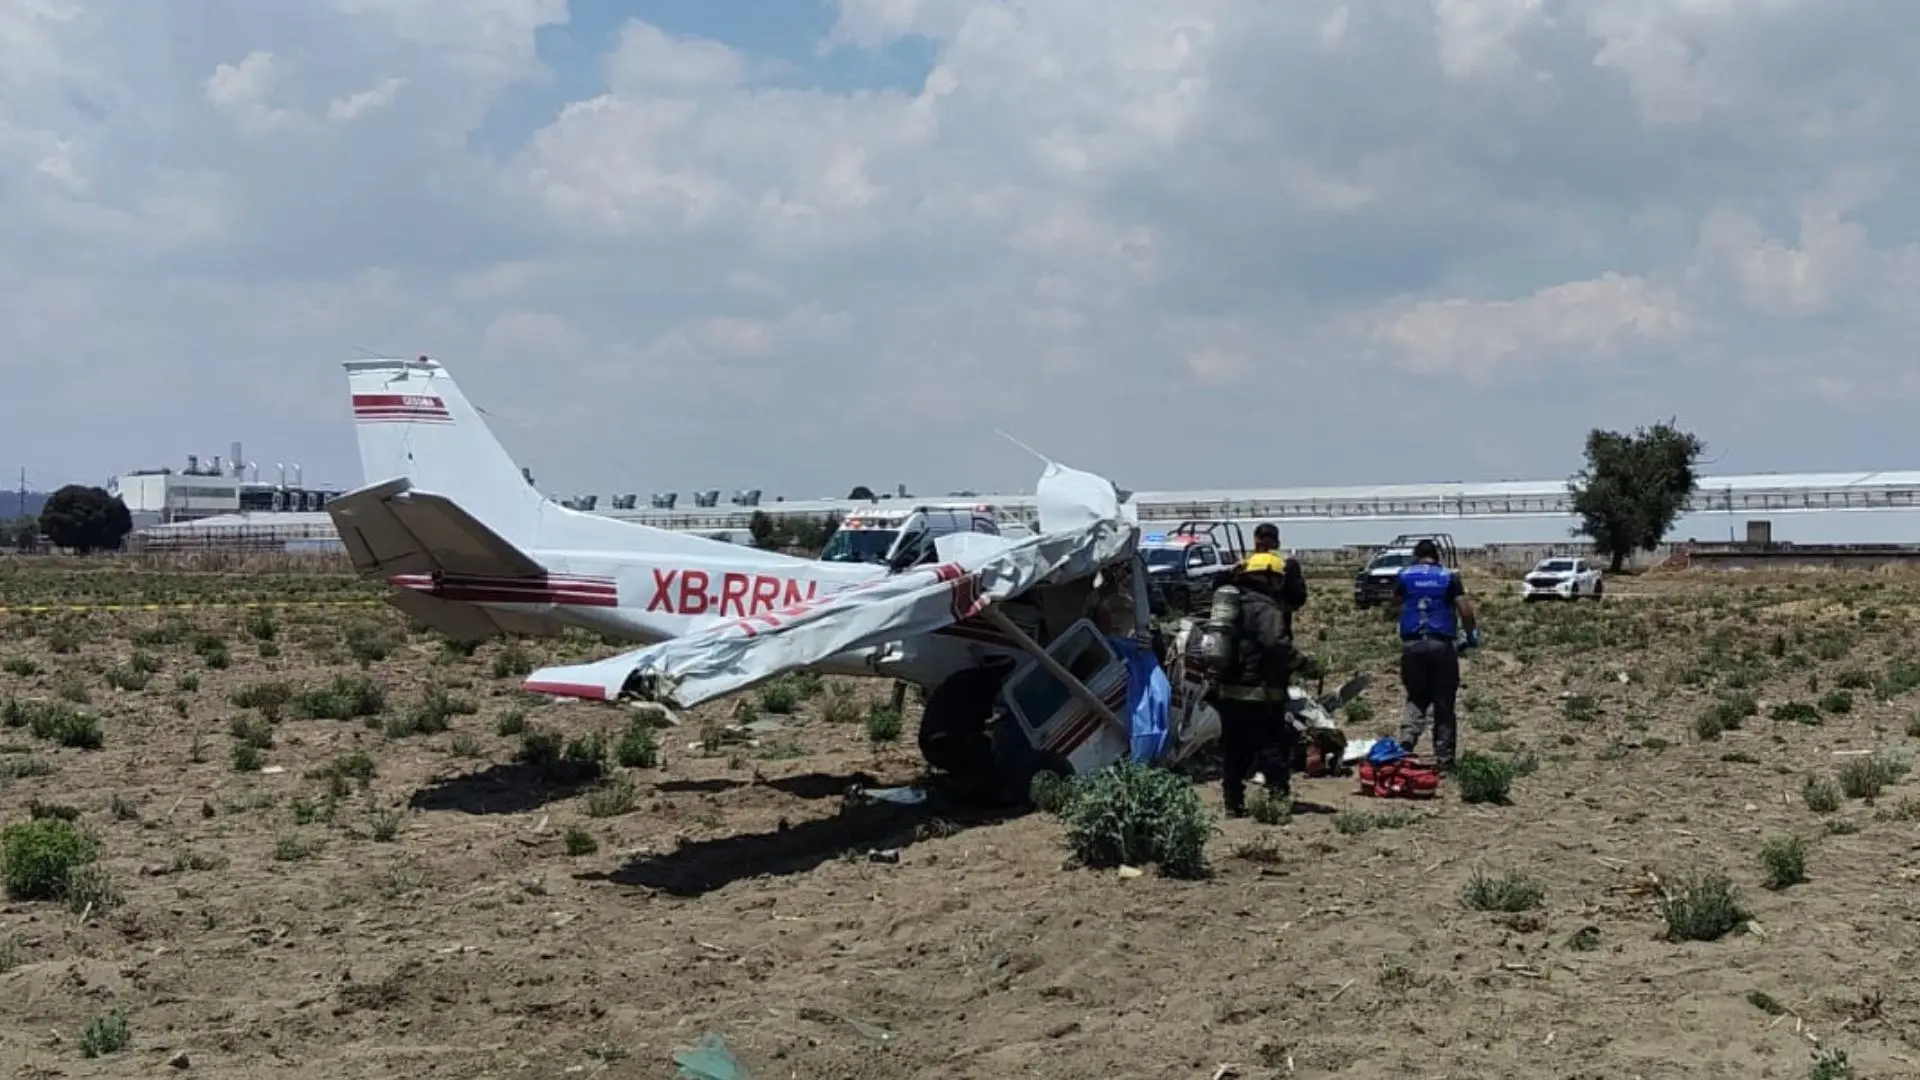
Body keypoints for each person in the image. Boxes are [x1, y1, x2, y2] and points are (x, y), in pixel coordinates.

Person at [1213, 548, 1308, 816]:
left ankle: (1233, 803)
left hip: (1230, 691)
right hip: (1262, 694)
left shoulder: (1232, 603)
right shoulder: (1266, 608)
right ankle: (1277, 801)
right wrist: (1300, 661)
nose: (1280, 585)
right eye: (1278, 579)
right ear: (1268, 578)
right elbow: (1276, 644)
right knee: (1273, 747)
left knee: (1234, 751)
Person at [1392, 538, 1480, 772]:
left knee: (1416, 697)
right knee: (1443, 702)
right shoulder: (1448, 577)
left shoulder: (1404, 575)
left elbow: (1395, 604)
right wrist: (1471, 634)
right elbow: (1465, 610)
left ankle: (1405, 745)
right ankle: (1444, 760)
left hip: (1412, 645)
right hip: (1442, 645)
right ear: (1437, 556)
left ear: (1416, 556)